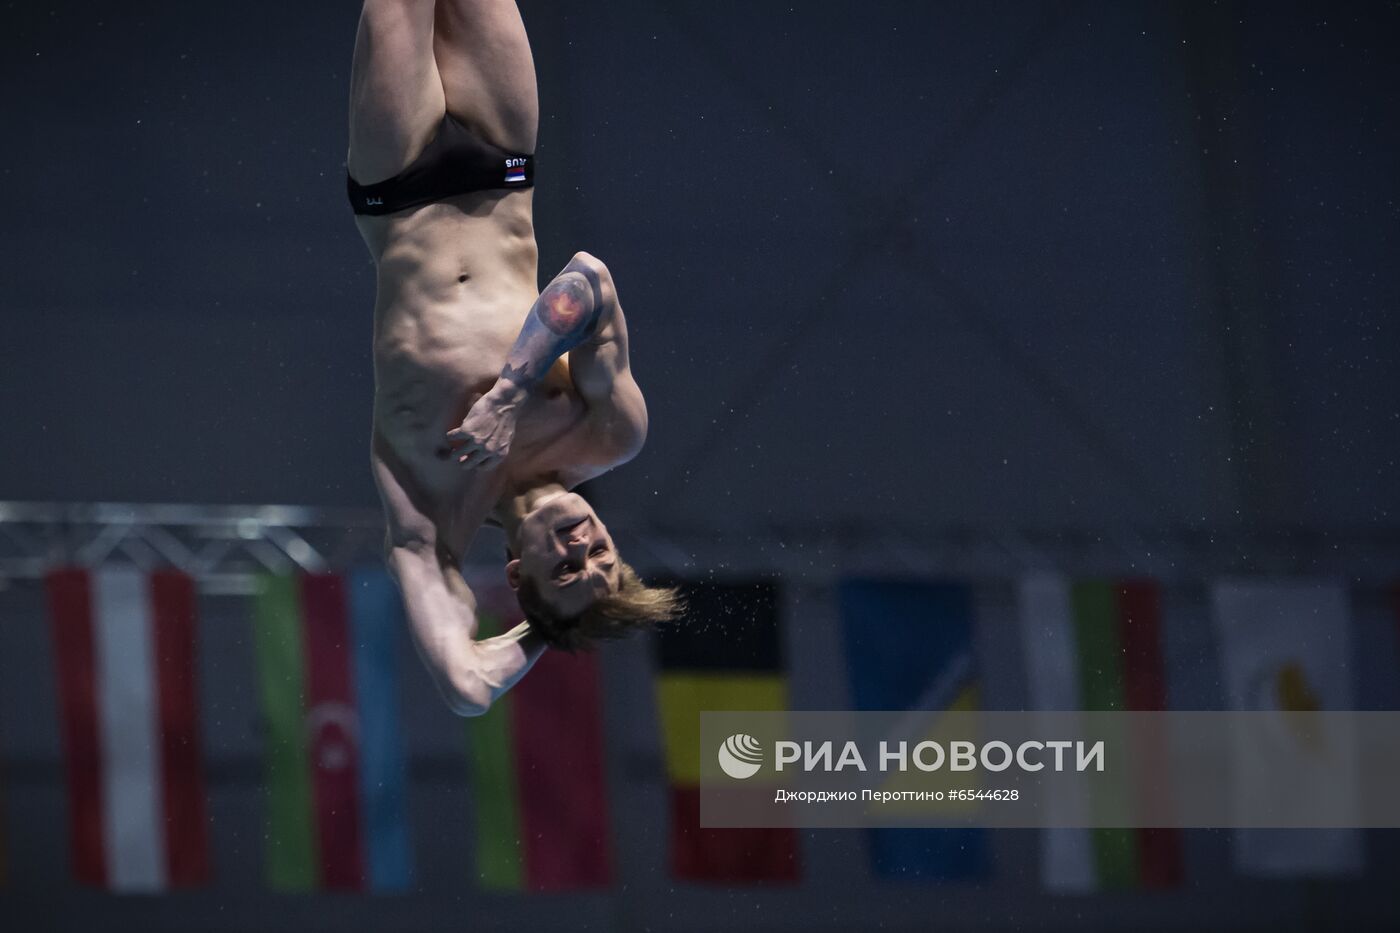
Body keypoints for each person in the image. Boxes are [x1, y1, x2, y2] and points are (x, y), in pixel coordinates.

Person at [347, 0, 681, 716]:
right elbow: (588, 279)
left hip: (397, 189)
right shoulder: (608, 434)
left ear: (517, 574)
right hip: (500, 161)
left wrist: (555, 629)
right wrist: (507, 392)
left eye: (566, 568)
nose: (583, 545)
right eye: (604, 555)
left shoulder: (430, 523)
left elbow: (467, 690)